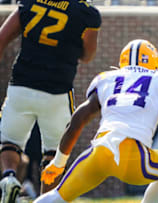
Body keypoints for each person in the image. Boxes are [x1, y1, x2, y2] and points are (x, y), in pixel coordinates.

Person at [33, 39, 158, 203]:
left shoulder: (107, 78)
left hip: (99, 151)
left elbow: (77, 120)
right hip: (133, 155)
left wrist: (58, 163)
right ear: (154, 62)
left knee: (56, 197)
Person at [0, 0, 101, 201]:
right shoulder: (86, 12)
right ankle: (45, 199)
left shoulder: (31, 2)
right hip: (57, 91)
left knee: (10, 142)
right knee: (54, 155)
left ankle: (9, 176)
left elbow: (2, 37)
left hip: (21, 85)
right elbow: (88, 55)